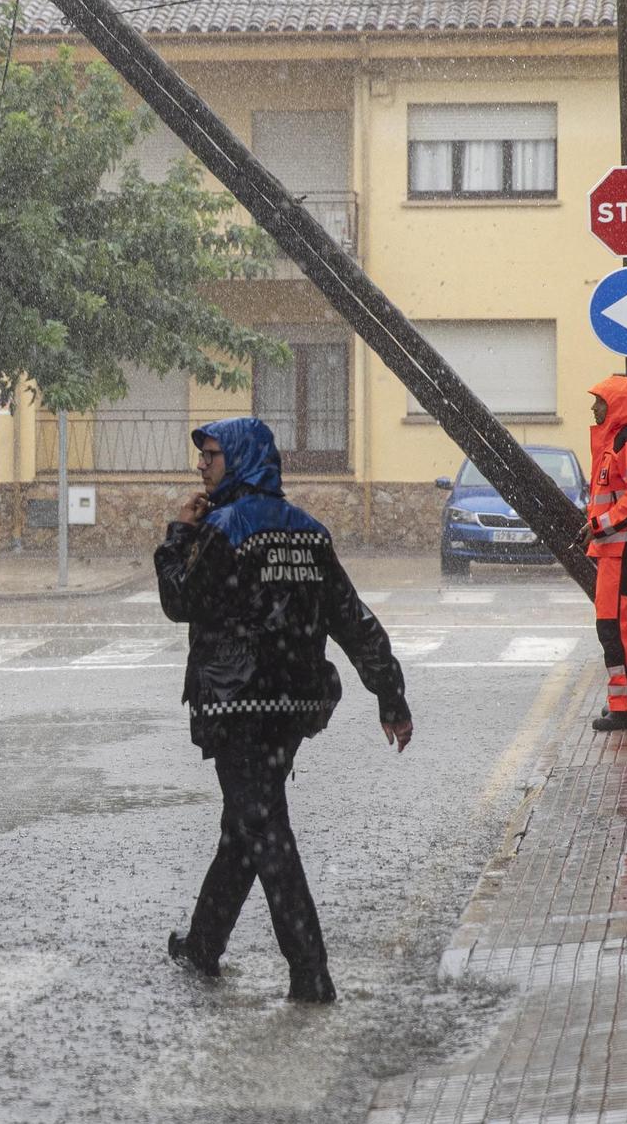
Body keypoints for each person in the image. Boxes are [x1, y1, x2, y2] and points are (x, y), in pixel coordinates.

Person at [154, 417, 413, 1004]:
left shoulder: (223, 528)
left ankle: (310, 970)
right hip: (291, 705)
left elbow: (179, 600)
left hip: (237, 703)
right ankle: (203, 945)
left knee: (264, 828)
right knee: (245, 825)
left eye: (213, 456)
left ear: (240, 460)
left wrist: (177, 533)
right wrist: (390, 696)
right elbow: (355, 621)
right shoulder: (310, 533)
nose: (202, 466)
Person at [581, 375, 627, 732]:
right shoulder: (612, 443)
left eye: (600, 402)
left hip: (621, 549)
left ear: (614, 406)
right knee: (613, 627)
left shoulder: (626, 441)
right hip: (613, 549)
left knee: (612, 627)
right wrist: (596, 527)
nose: (594, 408)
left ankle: (625, 707)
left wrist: (602, 525)